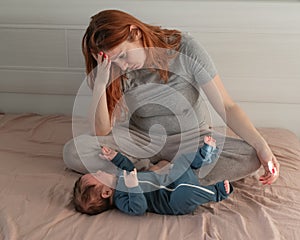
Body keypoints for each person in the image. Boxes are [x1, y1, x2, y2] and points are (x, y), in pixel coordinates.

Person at [63, 9, 279, 187]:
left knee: (251, 155)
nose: (123, 65)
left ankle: (145, 179)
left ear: (135, 33)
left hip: (190, 138)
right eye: (114, 61)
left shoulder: (185, 48)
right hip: (141, 140)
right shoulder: (113, 69)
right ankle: (165, 177)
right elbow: (101, 131)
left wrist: (262, 146)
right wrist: (102, 82)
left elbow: (226, 106)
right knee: (73, 152)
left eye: (122, 55)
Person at [73, 136, 233, 216]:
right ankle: (216, 192)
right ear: (106, 192)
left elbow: (128, 167)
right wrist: (132, 186)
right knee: (185, 191)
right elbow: (139, 208)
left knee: (182, 160)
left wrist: (115, 157)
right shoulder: (122, 200)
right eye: (97, 175)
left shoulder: (120, 177)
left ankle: (204, 154)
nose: (99, 171)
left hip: (171, 180)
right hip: (173, 200)